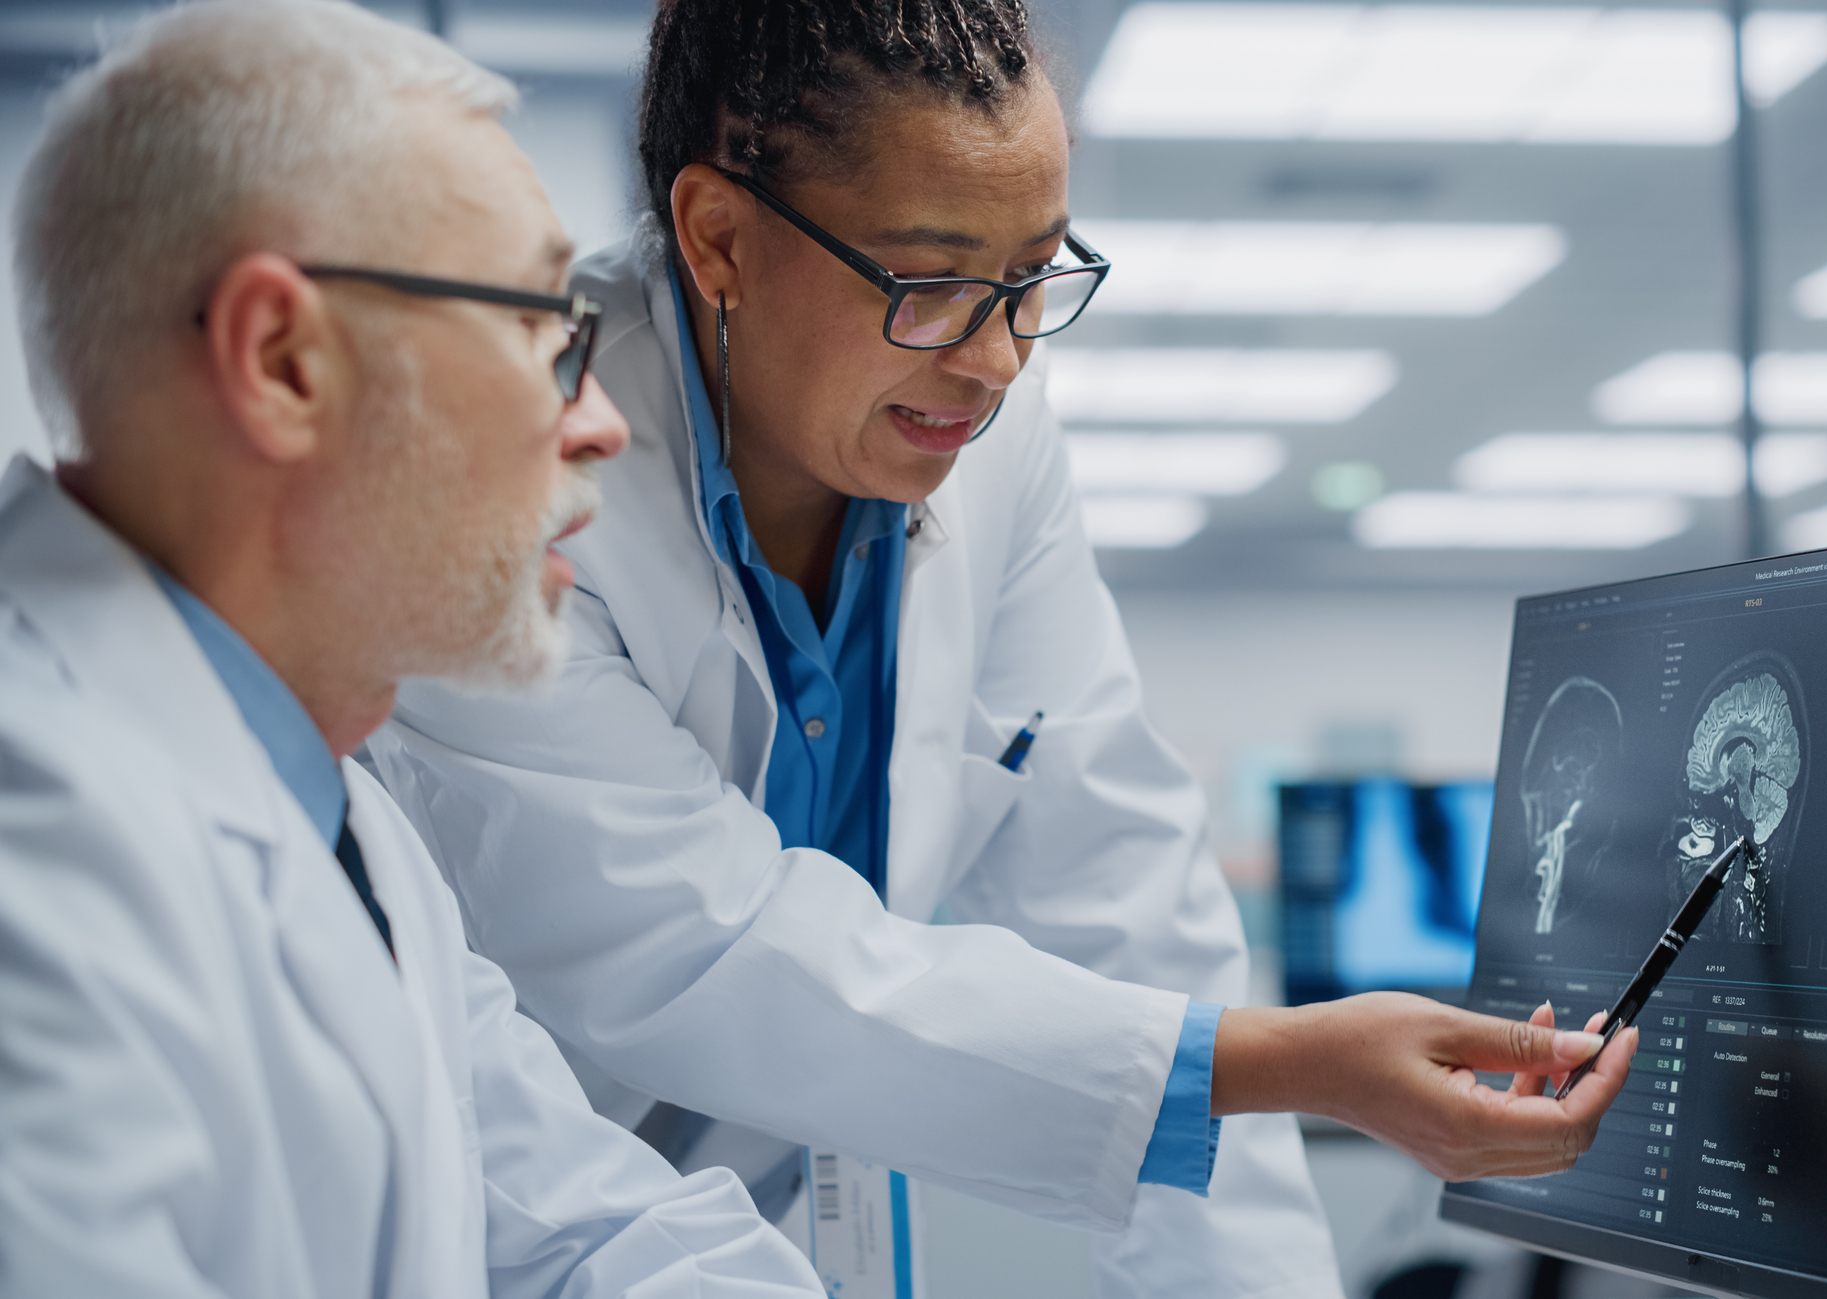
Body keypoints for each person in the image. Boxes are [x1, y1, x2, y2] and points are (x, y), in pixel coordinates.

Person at [366, 0, 1637, 1290]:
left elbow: (1130, 902)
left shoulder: (983, 446)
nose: (999, 360)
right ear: (719, 238)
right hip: (510, 1219)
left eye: (1033, 280)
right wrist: (1267, 1065)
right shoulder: (518, 452)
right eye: (928, 286)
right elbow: (709, 947)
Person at [0, 3, 825, 1293]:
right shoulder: (39, 853)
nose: (600, 423)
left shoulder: (347, 825)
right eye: (544, 337)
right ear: (283, 363)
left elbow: (586, 1230)